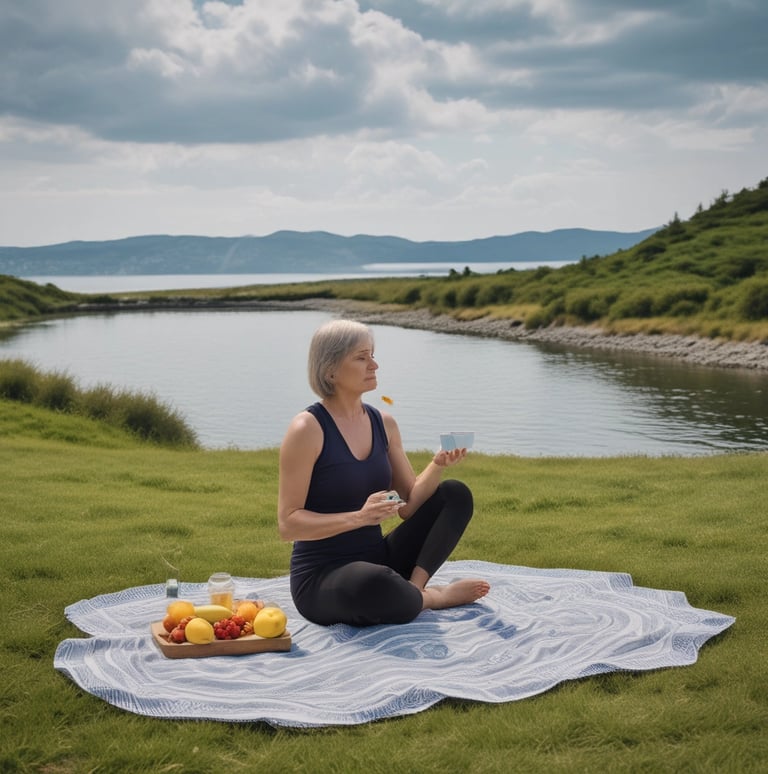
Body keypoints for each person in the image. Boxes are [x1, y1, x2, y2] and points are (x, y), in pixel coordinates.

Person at [278, 318, 490, 627]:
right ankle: (435, 598)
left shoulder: (384, 423)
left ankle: (415, 589)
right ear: (331, 370)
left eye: (373, 355)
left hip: (378, 558)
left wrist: (437, 465)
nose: (374, 365)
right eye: (361, 357)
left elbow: (409, 506)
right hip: (323, 577)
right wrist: (360, 517)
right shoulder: (307, 429)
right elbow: (288, 524)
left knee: (454, 494)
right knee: (374, 581)